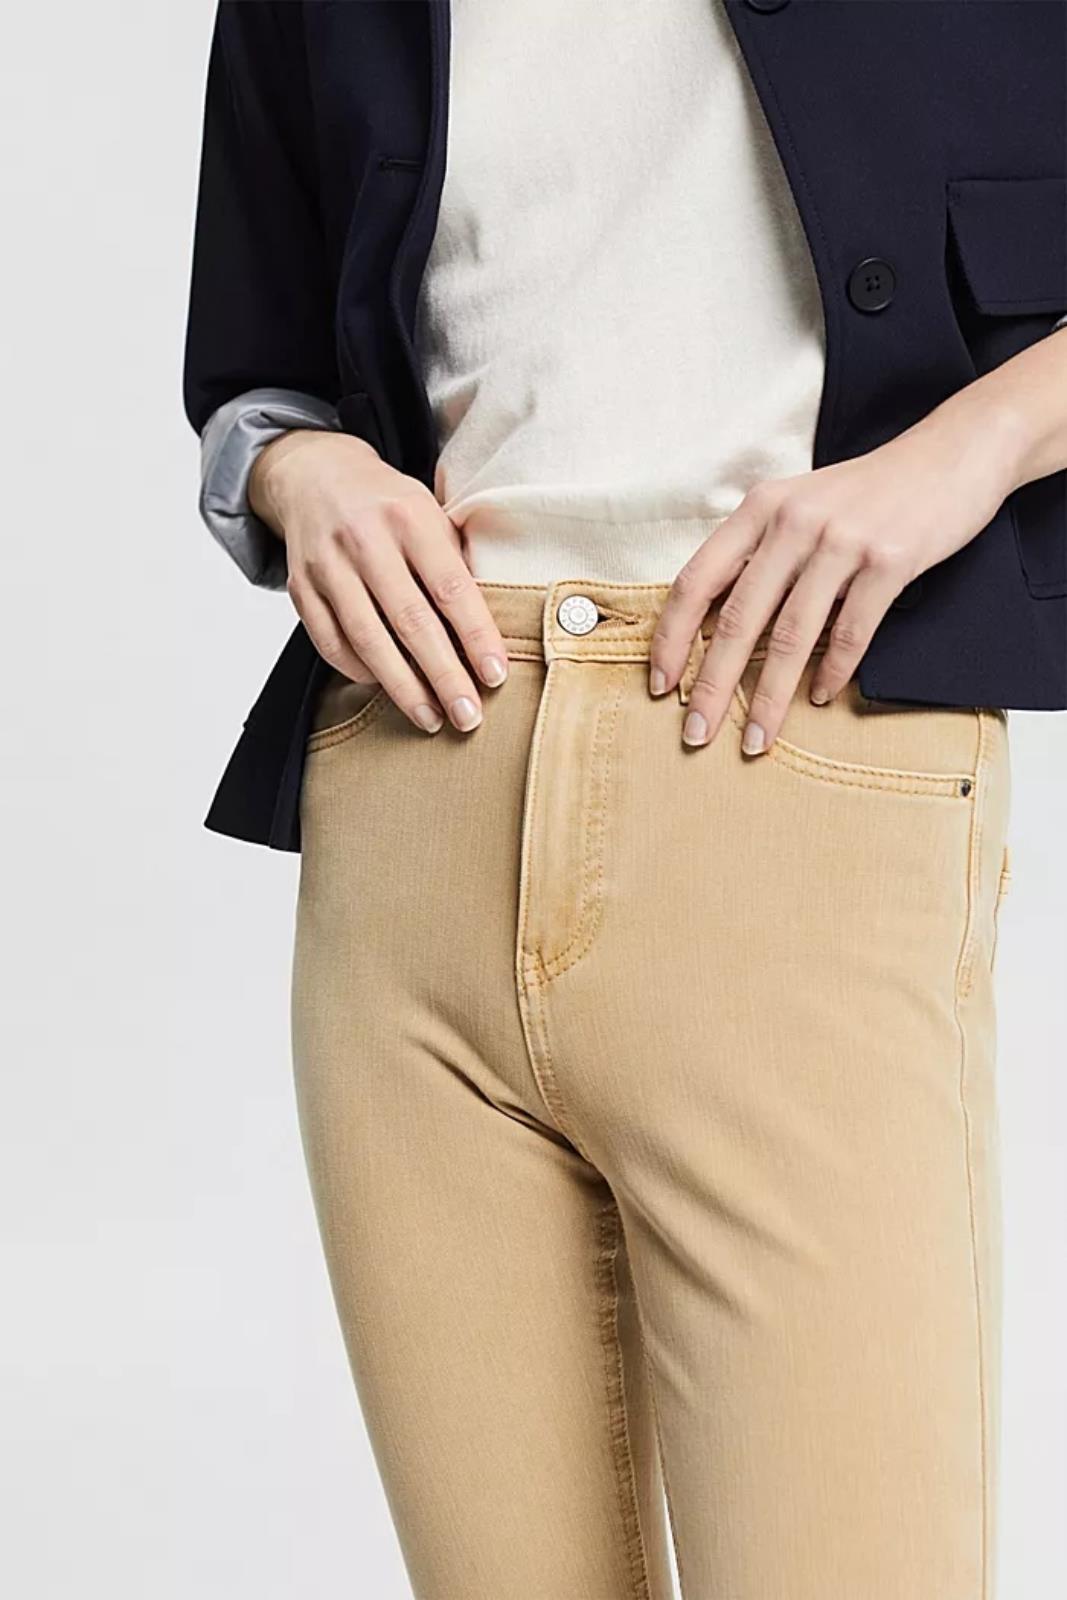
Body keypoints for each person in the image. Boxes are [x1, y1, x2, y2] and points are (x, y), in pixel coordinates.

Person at [182, 3, 1067, 1596]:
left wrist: (972, 450)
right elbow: (257, 373)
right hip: (414, 799)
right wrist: (300, 474)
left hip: (797, 764)